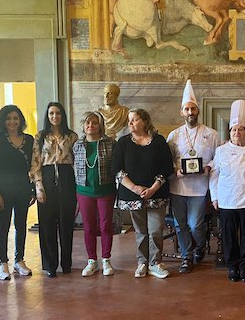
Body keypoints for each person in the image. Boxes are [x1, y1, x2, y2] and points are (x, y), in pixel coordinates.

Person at [112, 108, 173, 279]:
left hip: (156, 193)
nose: (130, 123)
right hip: (133, 195)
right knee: (140, 231)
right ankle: (142, 262)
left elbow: (166, 168)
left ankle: (155, 263)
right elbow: (117, 169)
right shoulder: (122, 142)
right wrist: (135, 188)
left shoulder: (159, 141)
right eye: (129, 120)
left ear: (145, 121)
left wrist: (153, 188)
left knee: (155, 230)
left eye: (135, 119)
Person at [209, 100, 245, 282]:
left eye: (241, 129)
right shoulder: (221, 150)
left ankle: (244, 267)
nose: (237, 133)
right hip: (227, 198)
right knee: (229, 236)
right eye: (234, 129)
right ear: (230, 132)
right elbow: (214, 175)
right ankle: (232, 266)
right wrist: (214, 197)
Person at [167, 80, 219, 273]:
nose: (190, 112)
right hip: (178, 186)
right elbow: (168, 159)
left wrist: (208, 167)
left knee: (195, 223)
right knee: (181, 224)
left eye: (193, 109)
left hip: (199, 187)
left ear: (198, 111)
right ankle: (187, 256)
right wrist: (175, 169)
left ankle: (200, 245)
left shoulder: (211, 134)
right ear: (182, 112)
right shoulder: (174, 135)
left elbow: (218, 158)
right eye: (187, 109)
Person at [30, 102, 78, 278]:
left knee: (66, 223)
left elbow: (77, 162)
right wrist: (39, 186)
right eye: (51, 113)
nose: (54, 116)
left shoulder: (72, 136)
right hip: (47, 176)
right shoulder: (40, 136)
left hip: (67, 176)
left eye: (58, 113)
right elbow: (35, 162)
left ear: (62, 115)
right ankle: (50, 264)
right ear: (47, 116)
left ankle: (66, 263)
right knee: (47, 223)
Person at [0, 105, 35, 281]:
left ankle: (19, 260)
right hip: (2, 188)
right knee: (3, 226)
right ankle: (2, 263)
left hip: (22, 187)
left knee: (21, 224)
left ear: (20, 120)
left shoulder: (29, 140)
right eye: (8, 118)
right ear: (3, 121)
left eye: (15, 118)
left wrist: (32, 190)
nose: (12, 122)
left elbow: (33, 166)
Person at [73, 111, 116, 277]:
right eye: (87, 123)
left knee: (105, 225)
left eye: (94, 123)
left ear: (100, 125)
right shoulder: (77, 145)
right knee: (88, 226)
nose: (91, 126)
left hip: (105, 190)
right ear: (83, 126)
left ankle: (106, 259)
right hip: (83, 191)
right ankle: (92, 260)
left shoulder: (111, 143)